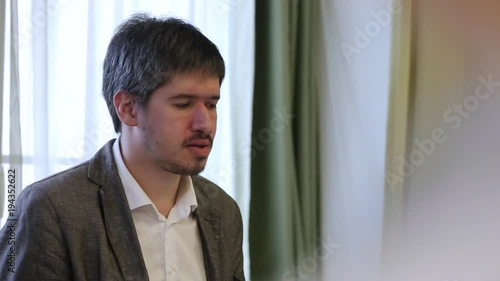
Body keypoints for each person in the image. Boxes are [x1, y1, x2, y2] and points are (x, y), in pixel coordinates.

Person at [0, 14, 244, 281]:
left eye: (211, 104)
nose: (204, 123)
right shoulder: (49, 209)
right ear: (127, 108)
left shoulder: (223, 211)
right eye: (183, 104)